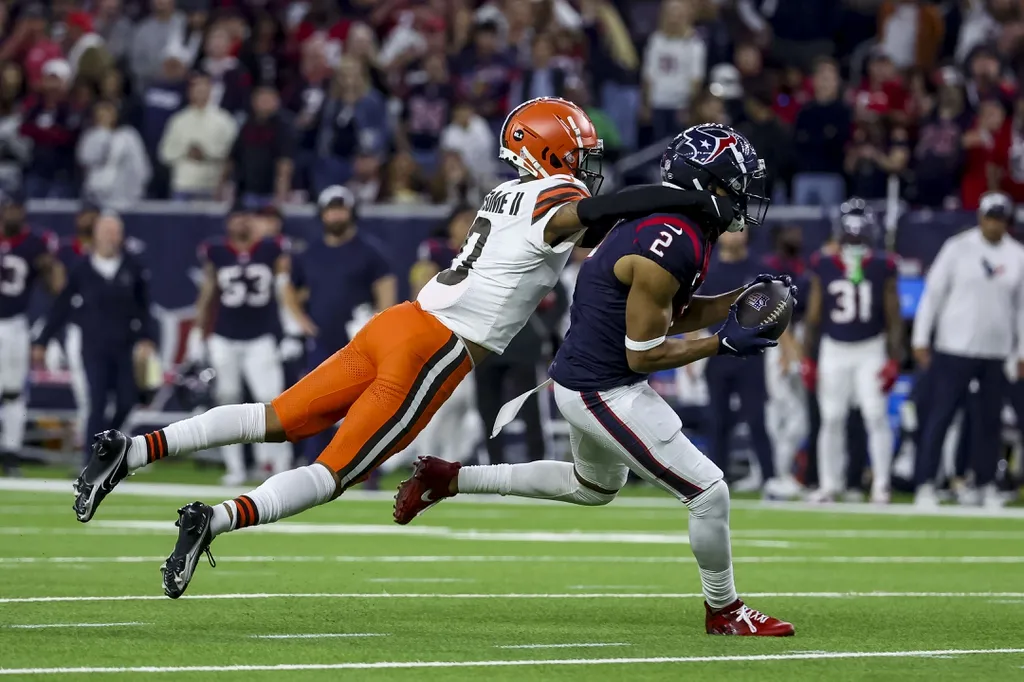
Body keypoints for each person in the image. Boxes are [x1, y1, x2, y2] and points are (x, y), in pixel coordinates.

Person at [69, 97, 729, 600]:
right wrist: (681, 198)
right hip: (437, 345)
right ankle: (213, 520)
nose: (589, 166)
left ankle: (131, 450)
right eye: (580, 153)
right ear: (553, 154)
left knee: (277, 417)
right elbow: (591, 216)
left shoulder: (510, 191)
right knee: (333, 474)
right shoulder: (557, 196)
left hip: (401, 321)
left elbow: (583, 234)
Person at [393, 124, 794, 637]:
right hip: (603, 388)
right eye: (735, 183)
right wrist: (724, 341)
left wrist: (736, 303)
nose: (743, 196)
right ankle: (725, 609)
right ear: (708, 183)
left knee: (593, 487)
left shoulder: (675, 226)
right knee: (709, 491)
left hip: (586, 376)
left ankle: (449, 478)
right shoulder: (670, 239)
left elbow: (668, 311)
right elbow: (645, 352)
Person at [912, 191, 1024, 508]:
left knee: (990, 422)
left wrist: (1021, 351)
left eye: (1000, 219)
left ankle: (984, 484)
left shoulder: (1017, 255)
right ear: (980, 217)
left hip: (996, 352)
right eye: (990, 218)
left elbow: (1022, 309)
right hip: (953, 347)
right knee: (941, 417)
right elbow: (933, 295)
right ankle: (926, 484)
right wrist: (921, 338)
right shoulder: (958, 248)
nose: (994, 225)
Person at [185, 202, 299, 484]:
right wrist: (198, 332)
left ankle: (277, 463)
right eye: (235, 219)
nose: (241, 224)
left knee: (272, 401)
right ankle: (235, 466)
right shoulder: (217, 252)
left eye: (245, 218)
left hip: (261, 337)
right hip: (225, 336)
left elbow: (284, 287)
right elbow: (208, 291)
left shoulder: (272, 248)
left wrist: (290, 329)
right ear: (227, 224)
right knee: (227, 400)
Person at [284, 185, 395, 463]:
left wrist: (377, 326)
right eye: (331, 210)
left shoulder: (370, 251)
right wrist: (301, 321)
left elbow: (386, 291)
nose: (335, 216)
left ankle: (367, 469)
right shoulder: (309, 252)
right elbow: (289, 288)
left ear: (351, 211)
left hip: (359, 343)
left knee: (366, 407)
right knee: (316, 405)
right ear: (322, 214)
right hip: (322, 340)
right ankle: (313, 465)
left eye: (340, 209)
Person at [802, 200, 902, 504]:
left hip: (870, 347)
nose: (855, 239)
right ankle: (829, 484)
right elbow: (814, 315)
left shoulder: (883, 266)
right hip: (834, 347)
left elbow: (893, 315)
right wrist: (810, 357)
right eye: (851, 234)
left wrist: (894, 359)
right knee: (831, 418)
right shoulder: (825, 263)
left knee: (875, 415)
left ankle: (881, 484)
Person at [33, 212, 155, 462]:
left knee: (127, 400)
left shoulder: (133, 266)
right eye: (106, 232)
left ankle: (109, 448)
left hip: (124, 344)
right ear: (96, 236)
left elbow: (143, 307)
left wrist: (147, 337)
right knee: (96, 403)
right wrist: (43, 340)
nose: (111, 237)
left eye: (115, 232)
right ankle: (92, 462)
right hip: (93, 345)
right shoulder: (82, 268)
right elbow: (62, 307)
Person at [701, 226, 779, 493]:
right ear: (720, 234)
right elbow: (689, 309)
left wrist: (788, 349)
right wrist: (689, 348)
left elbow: (778, 313)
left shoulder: (760, 271)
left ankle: (770, 479)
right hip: (716, 351)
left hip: (751, 355)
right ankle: (715, 481)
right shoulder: (708, 271)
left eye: (741, 230)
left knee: (757, 418)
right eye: (732, 231)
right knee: (718, 419)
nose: (736, 235)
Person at [0, 189, 62, 474]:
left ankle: (10, 454)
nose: (14, 213)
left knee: (13, 393)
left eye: (17, 207)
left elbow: (56, 288)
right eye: (9, 207)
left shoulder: (36, 244)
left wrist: (51, 268)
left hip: (14, 324)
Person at [159, 72, 238, 201]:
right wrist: (186, 152)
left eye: (204, 88)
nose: (200, 92)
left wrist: (207, 154)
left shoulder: (224, 120)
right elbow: (165, 153)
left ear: (211, 90)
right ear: (189, 91)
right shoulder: (178, 120)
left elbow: (233, 154)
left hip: (213, 186)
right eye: (196, 88)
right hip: (183, 185)